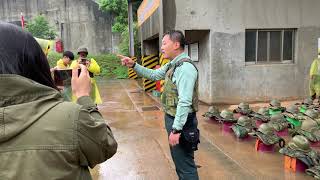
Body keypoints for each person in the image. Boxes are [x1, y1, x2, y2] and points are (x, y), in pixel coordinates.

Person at [0, 22, 117, 179]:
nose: (82, 57)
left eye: (84, 54)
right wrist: (82, 95)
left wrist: (89, 66)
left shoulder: (92, 61)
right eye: (80, 54)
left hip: (90, 90)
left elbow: (97, 70)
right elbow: (106, 145)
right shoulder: (71, 117)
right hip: (81, 94)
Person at [118, 30, 200, 180]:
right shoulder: (173, 64)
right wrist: (134, 65)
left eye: (164, 43)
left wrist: (176, 129)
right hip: (174, 119)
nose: (161, 47)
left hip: (182, 123)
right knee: (180, 163)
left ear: (176, 45)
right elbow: (154, 75)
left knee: (185, 166)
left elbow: (185, 101)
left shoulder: (185, 68)